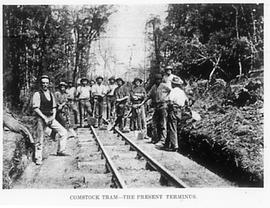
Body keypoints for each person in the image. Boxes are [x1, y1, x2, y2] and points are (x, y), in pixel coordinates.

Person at [32, 75, 69, 165]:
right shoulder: (37, 94)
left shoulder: (51, 94)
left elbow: (54, 107)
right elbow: (36, 108)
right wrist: (44, 117)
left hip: (50, 118)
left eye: (46, 83)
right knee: (39, 138)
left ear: (49, 84)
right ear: (40, 84)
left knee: (63, 132)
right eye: (43, 83)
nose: (45, 85)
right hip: (41, 118)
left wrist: (53, 117)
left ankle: (61, 150)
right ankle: (38, 158)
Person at [140, 74, 171, 147]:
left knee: (163, 123)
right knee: (154, 123)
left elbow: (170, 92)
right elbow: (148, 95)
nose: (158, 81)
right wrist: (142, 102)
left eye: (159, 79)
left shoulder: (164, 86)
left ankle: (162, 140)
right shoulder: (153, 87)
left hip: (163, 105)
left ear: (161, 80)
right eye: (157, 79)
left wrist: (166, 98)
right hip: (156, 106)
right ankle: (155, 138)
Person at [166, 77, 189, 151]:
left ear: (173, 84)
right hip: (180, 111)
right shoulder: (182, 92)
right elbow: (187, 101)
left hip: (174, 110)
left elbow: (170, 102)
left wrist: (169, 107)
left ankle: (174, 145)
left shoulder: (173, 91)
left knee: (172, 127)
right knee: (177, 127)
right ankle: (172, 144)